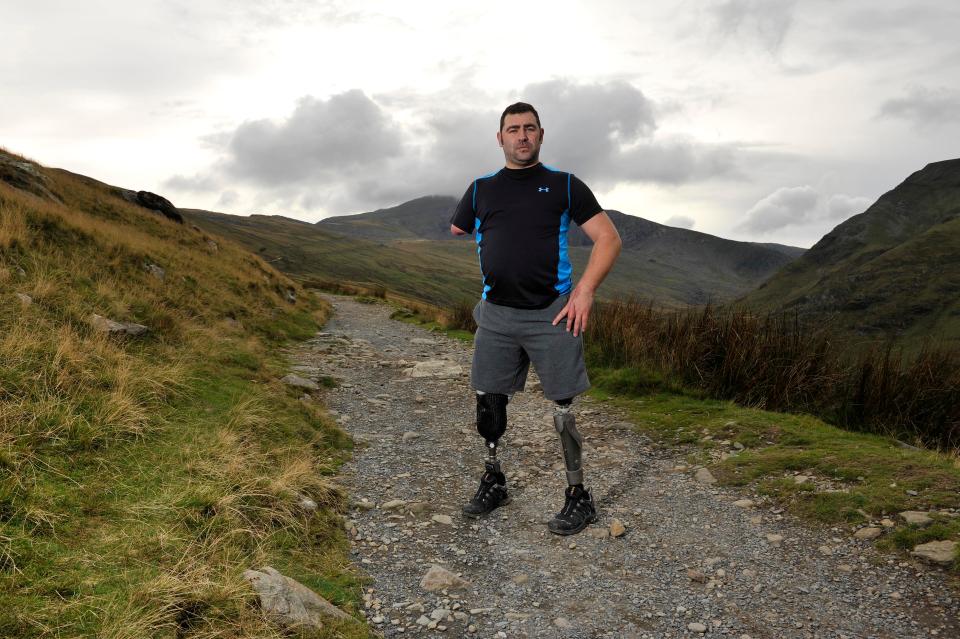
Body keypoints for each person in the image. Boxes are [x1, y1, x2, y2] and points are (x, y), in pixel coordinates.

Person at [449, 102, 622, 535]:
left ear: (541, 135)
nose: (521, 136)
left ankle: (579, 497)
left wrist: (584, 292)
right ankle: (494, 480)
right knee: (489, 403)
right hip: (496, 316)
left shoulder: (565, 185)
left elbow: (608, 238)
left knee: (562, 408)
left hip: (553, 314)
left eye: (529, 129)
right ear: (500, 137)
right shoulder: (479, 189)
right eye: (513, 129)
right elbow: (459, 228)